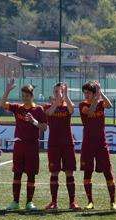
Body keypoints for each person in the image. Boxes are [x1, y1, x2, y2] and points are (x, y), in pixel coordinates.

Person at [1, 79, 47, 211]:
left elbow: (44, 128)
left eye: (27, 96)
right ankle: (15, 202)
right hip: (19, 145)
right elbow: (3, 104)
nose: (25, 98)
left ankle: (29, 202)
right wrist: (8, 90)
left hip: (32, 146)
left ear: (32, 96)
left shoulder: (39, 110)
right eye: (23, 96)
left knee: (31, 174)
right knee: (17, 174)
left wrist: (34, 122)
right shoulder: (18, 108)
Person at [79, 81, 116, 210]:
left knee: (108, 172)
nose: (86, 95)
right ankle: (90, 202)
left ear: (94, 93)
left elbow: (110, 105)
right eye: (84, 93)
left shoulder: (100, 102)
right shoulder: (82, 105)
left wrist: (100, 93)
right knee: (87, 173)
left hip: (101, 143)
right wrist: (96, 98)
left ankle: (113, 202)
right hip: (88, 144)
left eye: (88, 93)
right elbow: (90, 112)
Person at [44, 83, 81, 211]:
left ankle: (72, 202)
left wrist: (66, 96)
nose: (58, 93)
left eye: (60, 91)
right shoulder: (49, 106)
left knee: (69, 172)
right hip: (54, 144)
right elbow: (49, 113)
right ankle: (54, 202)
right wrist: (57, 101)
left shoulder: (67, 107)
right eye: (56, 91)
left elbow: (72, 109)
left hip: (67, 144)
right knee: (54, 172)